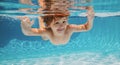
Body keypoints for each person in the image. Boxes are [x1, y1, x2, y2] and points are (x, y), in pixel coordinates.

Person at [19, 0, 95, 45]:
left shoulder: (67, 28)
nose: (61, 26)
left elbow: (28, 32)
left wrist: (25, 24)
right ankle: (41, 17)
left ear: (67, 21)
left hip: (48, 28)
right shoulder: (68, 29)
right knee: (44, 36)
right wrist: (90, 19)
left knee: (44, 36)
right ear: (50, 26)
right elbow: (86, 27)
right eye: (56, 23)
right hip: (48, 28)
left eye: (64, 21)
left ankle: (41, 17)